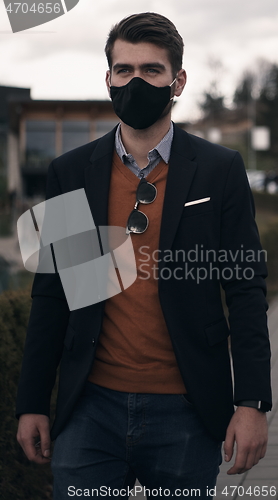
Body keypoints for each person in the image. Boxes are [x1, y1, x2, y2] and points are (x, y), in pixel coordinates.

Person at [16, 12, 271, 500]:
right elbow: (53, 295)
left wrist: (253, 402)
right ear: (108, 79)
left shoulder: (219, 170)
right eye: (124, 70)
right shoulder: (71, 172)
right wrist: (32, 402)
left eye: (151, 71)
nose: (136, 82)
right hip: (89, 409)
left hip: (187, 409)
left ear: (177, 81)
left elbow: (246, 288)